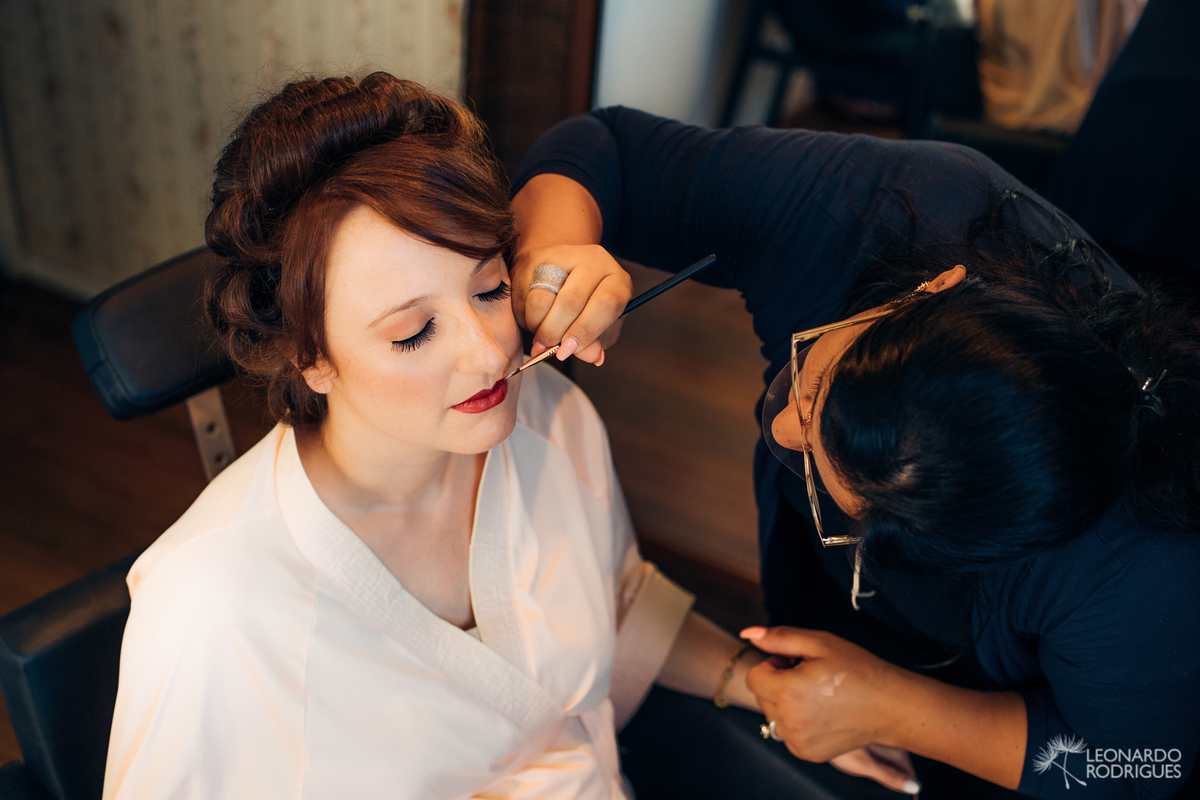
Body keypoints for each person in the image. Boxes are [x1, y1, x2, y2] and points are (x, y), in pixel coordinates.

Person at [101, 74, 767, 800]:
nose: (489, 353)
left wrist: (755, 682)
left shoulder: (548, 417)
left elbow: (603, 608)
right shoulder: (212, 608)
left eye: (489, 290)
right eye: (414, 332)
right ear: (310, 357)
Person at [508, 106, 1200, 799]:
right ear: (933, 287)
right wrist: (554, 252)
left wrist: (904, 710)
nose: (779, 431)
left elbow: (1138, 768)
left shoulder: (1143, 572)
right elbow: (607, 151)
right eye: (812, 387)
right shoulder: (891, 208)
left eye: (847, 502)